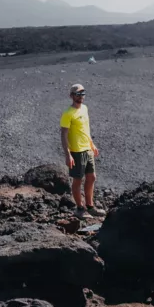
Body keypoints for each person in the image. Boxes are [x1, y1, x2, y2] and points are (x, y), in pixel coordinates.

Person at [59, 83, 104, 219]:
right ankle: (79, 209)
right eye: (77, 94)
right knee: (78, 180)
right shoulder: (68, 113)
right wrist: (68, 155)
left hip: (87, 149)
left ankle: (90, 207)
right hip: (77, 151)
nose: (80, 97)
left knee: (92, 177)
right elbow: (63, 135)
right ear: (71, 96)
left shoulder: (84, 109)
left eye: (82, 94)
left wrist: (92, 144)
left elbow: (85, 129)